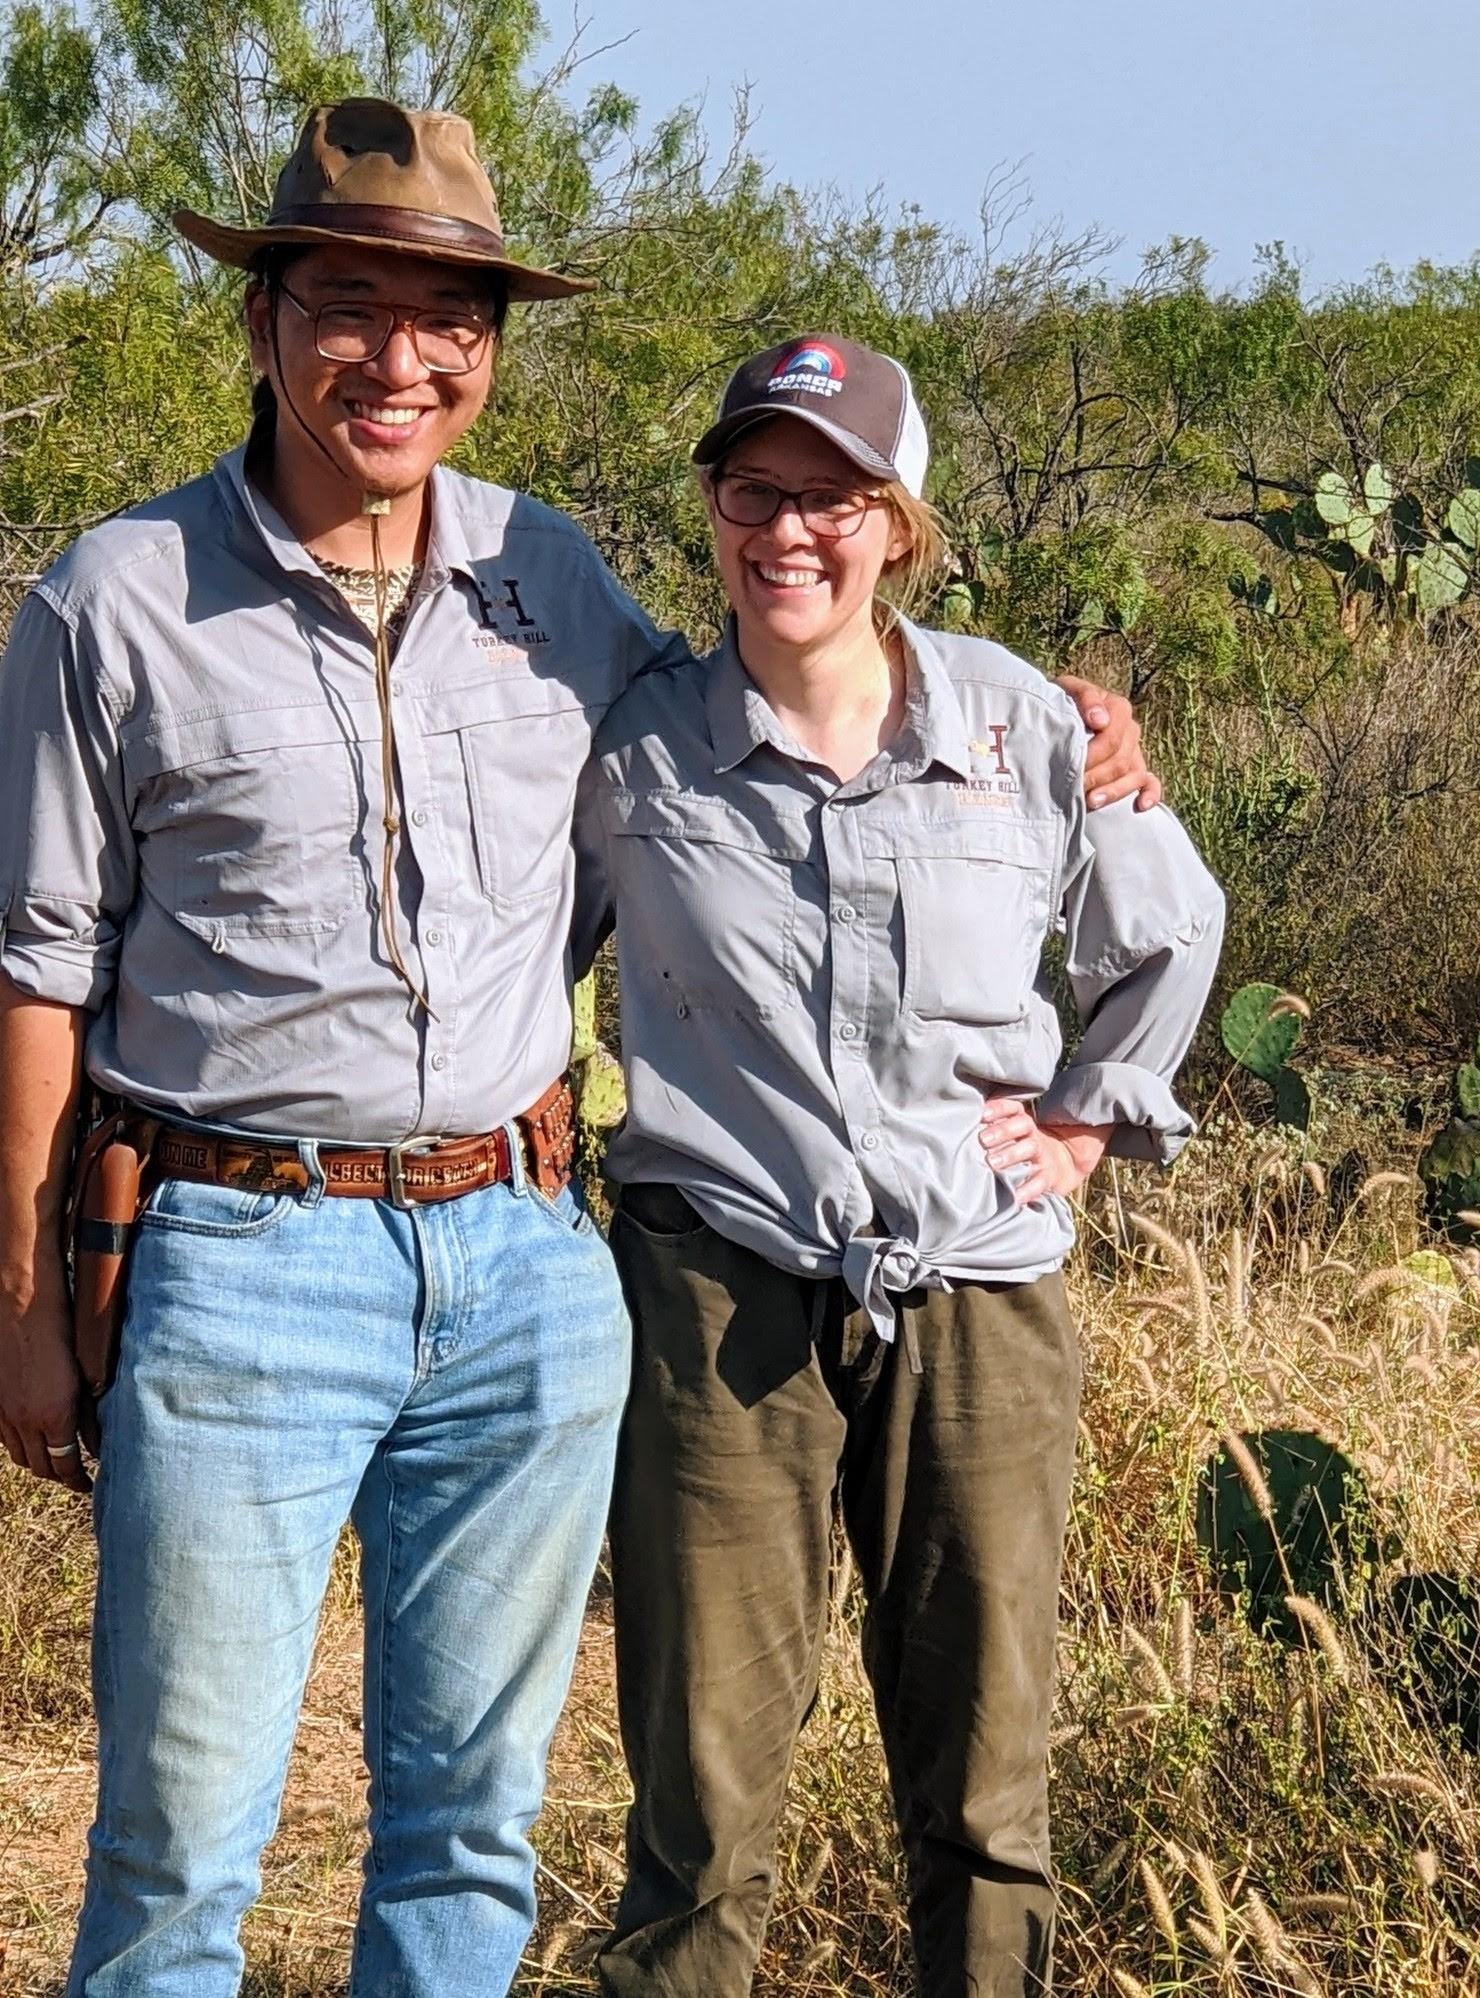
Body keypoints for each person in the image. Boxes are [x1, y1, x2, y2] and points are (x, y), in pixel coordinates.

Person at [0, 103, 1153, 1998]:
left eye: (448, 314)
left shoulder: (550, 582)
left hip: (528, 1263)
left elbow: (786, 710)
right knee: (180, 1843)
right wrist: (29, 1295)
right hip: (236, 1257)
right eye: (349, 302)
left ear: (492, 349)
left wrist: (1059, 726)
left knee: (471, 1835)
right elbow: (35, 964)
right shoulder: (115, 600)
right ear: (267, 318)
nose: (399, 354)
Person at [581, 333, 1224, 1997]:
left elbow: (1168, 929)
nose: (787, 532)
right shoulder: (630, 740)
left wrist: (1086, 1119)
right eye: (754, 490)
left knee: (986, 1780)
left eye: (833, 498)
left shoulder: (1022, 724)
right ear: (712, 505)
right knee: (703, 1794)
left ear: (901, 521)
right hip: (716, 1289)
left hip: (975, 1298)